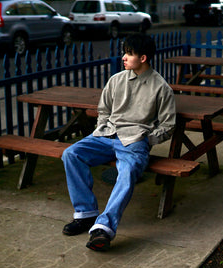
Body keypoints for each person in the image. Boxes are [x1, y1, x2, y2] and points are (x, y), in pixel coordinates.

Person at [61, 33, 176, 251]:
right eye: (124, 53)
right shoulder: (116, 80)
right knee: (71, 154)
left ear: (143, 58)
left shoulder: (161, 88)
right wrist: (101, 129)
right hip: (107, 136)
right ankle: (85, 214)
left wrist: (146, 140)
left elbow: (168, 126)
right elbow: (103, 111)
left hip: (134, 142)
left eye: (129, 54)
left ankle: (102, 228)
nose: (123, 57)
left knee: (127, 173)